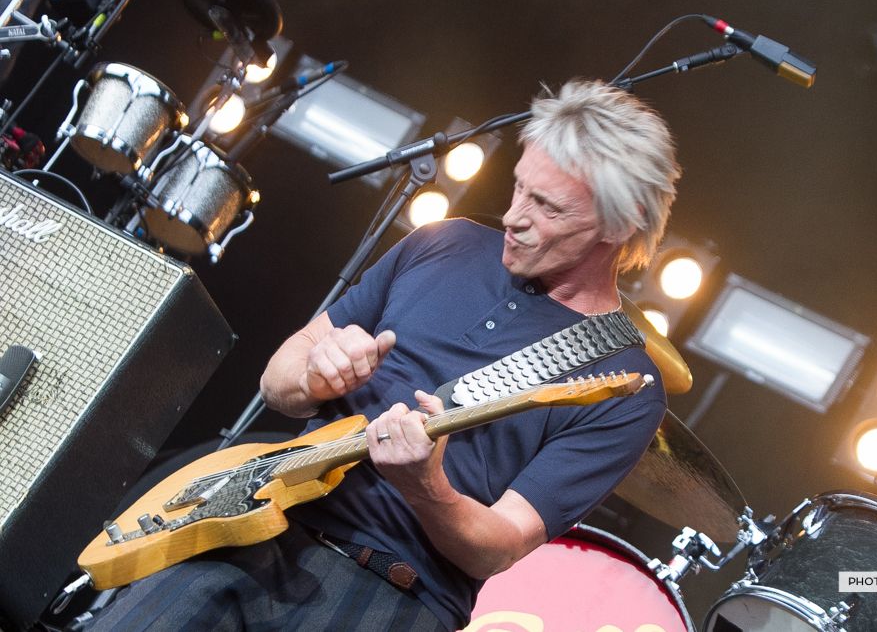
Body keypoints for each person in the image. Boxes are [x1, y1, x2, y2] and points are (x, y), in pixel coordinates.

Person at [87, 79, 681, 631]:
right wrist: (316, 374)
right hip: (250, 522)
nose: (513, 217)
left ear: (619, 224)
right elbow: (278, 381)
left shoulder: (623, 380)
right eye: (519, 186)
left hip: (388, 591)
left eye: (548, 207)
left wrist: (428, 488)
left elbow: (501, 545)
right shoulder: (443, 242)